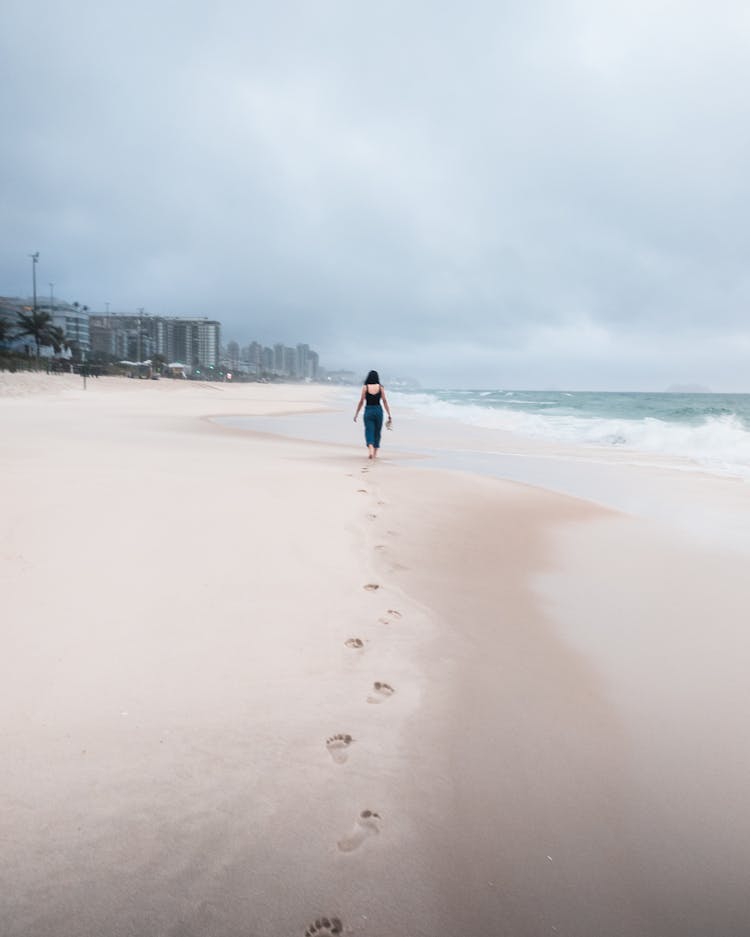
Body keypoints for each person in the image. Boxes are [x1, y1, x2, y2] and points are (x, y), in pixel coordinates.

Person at [353, 370, 392, 459]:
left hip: (368, 411)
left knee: (369, 430)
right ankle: (374, 454)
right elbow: (385, 401)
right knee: (377, 432)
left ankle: (370, 449)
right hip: (378, 411)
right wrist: (389, 414)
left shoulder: (365, 387)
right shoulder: (381, 387)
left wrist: (356, 414)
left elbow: (361, 401)